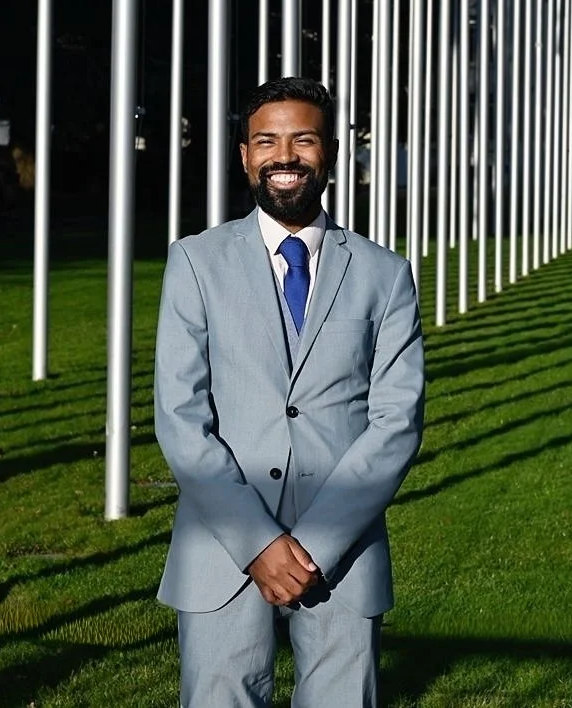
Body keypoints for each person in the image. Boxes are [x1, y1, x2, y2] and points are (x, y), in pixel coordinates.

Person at [154, 77, 426, 707]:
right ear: (245, 154)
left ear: (329, 150)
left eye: (302, 139)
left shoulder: (385, 275)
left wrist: (314, 546)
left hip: (344, 551)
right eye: (266, 141)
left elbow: (397, 423)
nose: (285, 156)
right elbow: (181, 417)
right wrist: (260, 543)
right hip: (222, 548)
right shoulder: (196, 263)